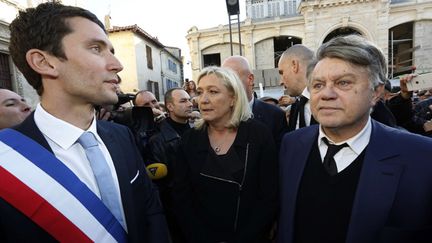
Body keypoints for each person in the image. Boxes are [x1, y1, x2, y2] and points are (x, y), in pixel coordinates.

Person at [2, 2, 169, 242]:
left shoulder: (122, 136)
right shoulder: (7, 162)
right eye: (96, 48)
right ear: (44, 62)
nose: (117, 65)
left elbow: (151, 212)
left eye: (111, 50)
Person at [278, 35, 432, 243]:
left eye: (343, 83)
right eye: (318, 85)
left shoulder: (420, 157)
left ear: (376, 93)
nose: (326, 94)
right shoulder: (292, 144)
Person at [172, 66, 278, 243]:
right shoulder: (190, 139)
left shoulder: (259, 135)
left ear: (233, 98)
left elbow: (269, 196)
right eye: (200, 92)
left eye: (213, 92)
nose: (202, 100)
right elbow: (181, 197)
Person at [147, 87, 193, 242]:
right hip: (175, 212)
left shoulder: (200, 130)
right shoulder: (157, 140)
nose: (190, 104)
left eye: (189, 100)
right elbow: (158, 185)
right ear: (170, 107)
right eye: (183, 101)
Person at [222, 55, 288, 149]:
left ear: (250, 79)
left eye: (232, 77)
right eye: (223, 79)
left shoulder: (275, 116)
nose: (227, 84)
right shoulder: (217, 117)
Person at [278, 45, 316, 132]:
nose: (280, 82)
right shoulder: (296, 107)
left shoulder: (328, 102)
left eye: (281, 72)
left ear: (295, 65)